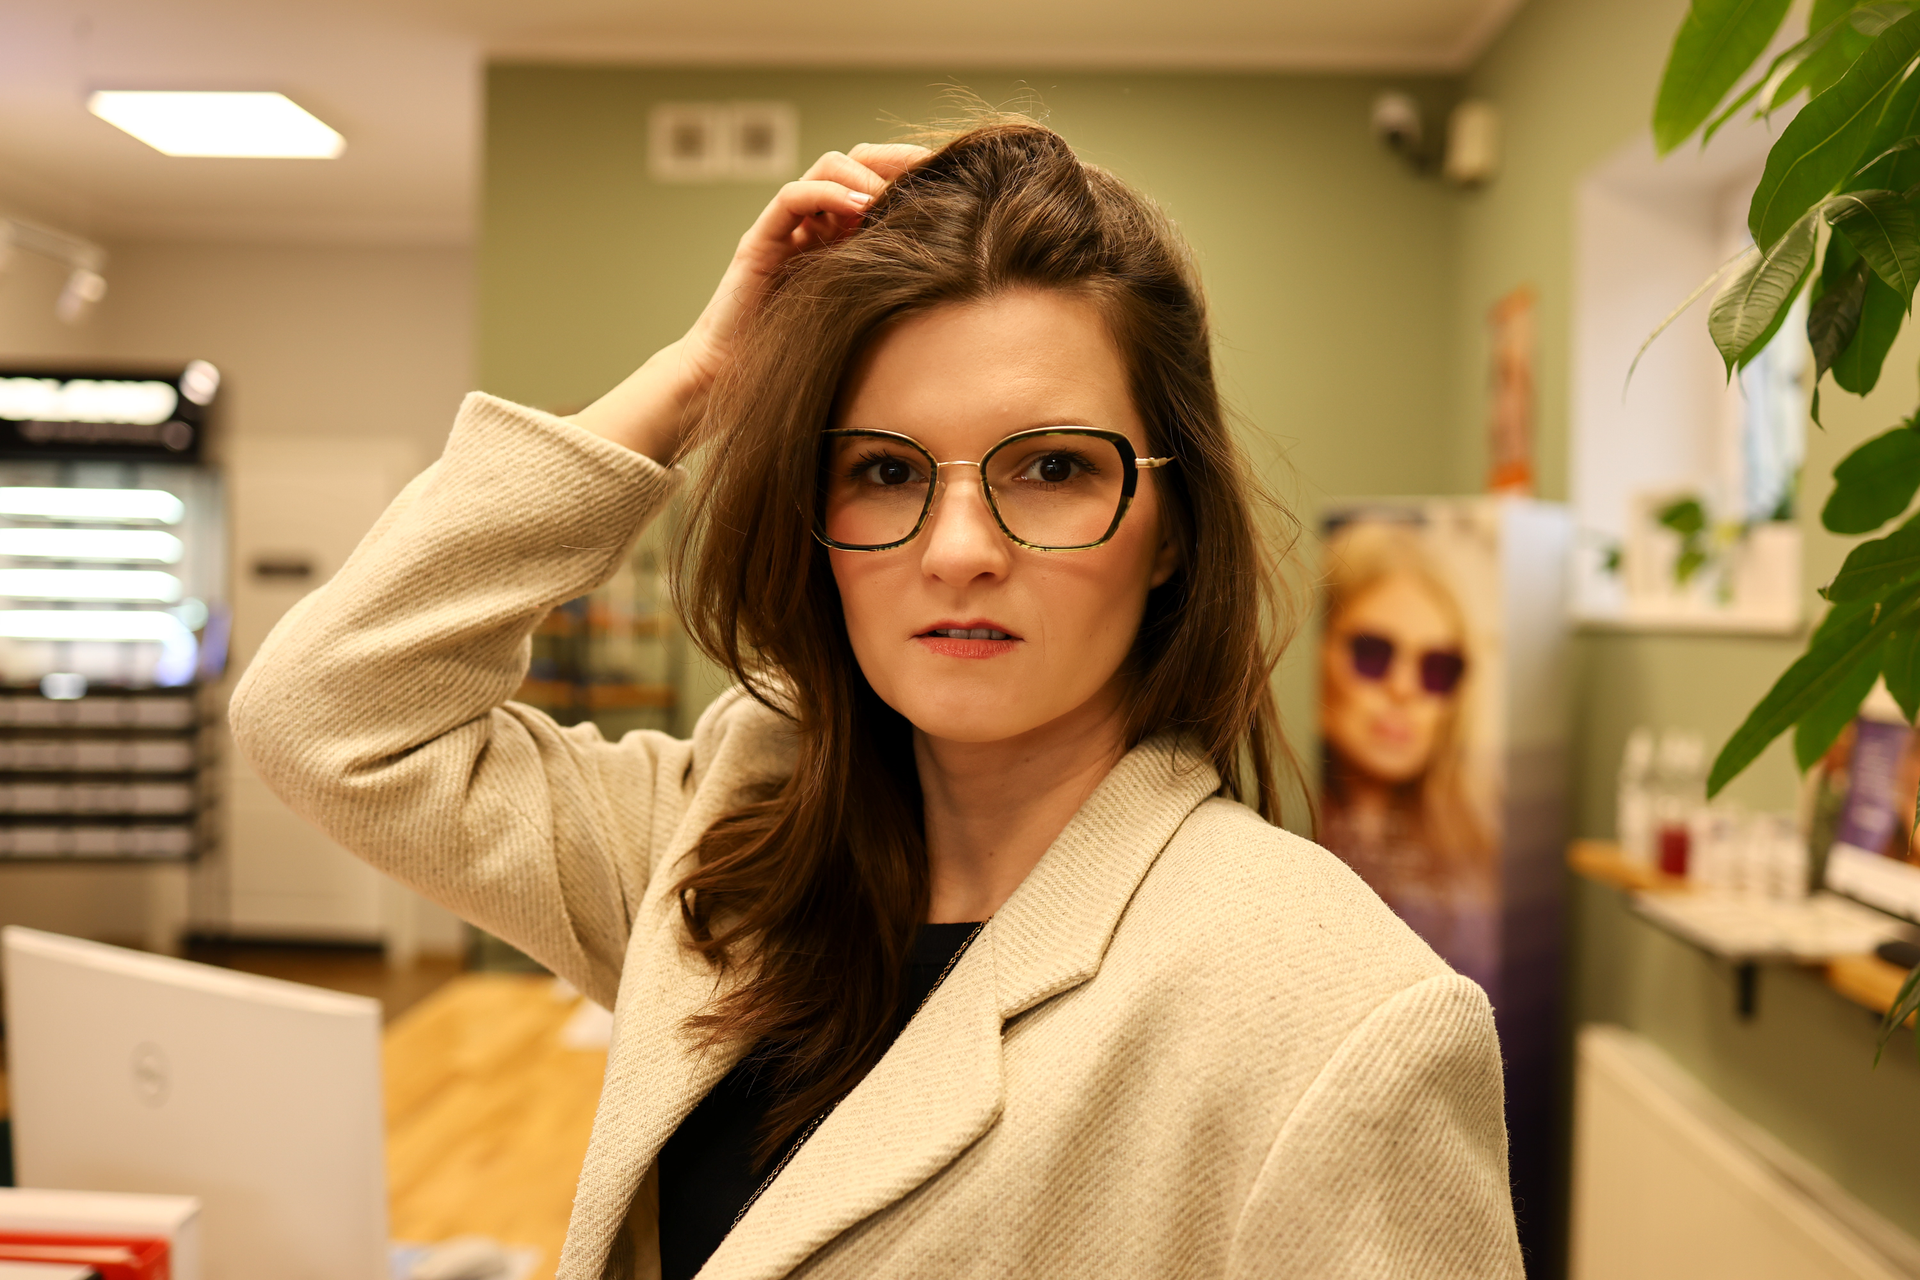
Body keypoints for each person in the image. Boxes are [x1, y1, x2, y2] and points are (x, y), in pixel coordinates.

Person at [231, 117, 1522, 1279]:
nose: (959, 549)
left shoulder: (1335, 1014)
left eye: (1053, 467)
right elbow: (329, 717)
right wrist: (701, 375)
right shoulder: (723, 842)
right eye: (888, 471)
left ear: (1172, 527)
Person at [1318, 520, 1496, 989]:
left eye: (1437, 669)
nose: (1404, 689)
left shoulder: (1481, 850)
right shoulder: (1267, 831)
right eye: (1373, 653)